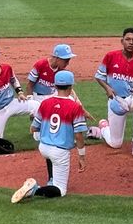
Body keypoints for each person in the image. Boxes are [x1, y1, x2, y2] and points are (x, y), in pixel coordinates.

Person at [11, 71, 87, 203]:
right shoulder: (75, 107)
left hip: (43, 148)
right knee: (60, 190)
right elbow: (79, 135)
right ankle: (35, 190)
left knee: (51, 155)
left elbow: (34, 127)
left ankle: (51, 178)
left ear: (55, 86)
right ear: (70, 87)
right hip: (59, 151)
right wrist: (81, 155)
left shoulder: (45, 103)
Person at [90, 27, 133, 158]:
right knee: (115, 143)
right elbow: (99, 76)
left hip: (131, 98)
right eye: (128, 39)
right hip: (115, 100)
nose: (131, 42)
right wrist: (107, 88)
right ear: (122, 41)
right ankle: (103, 128)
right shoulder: (111, 56)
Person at [0, 45, 40, 147]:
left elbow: (13, 80)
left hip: (12, 103)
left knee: (37, 106)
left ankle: (38, 132)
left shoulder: (7, 68)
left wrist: (20, 93)